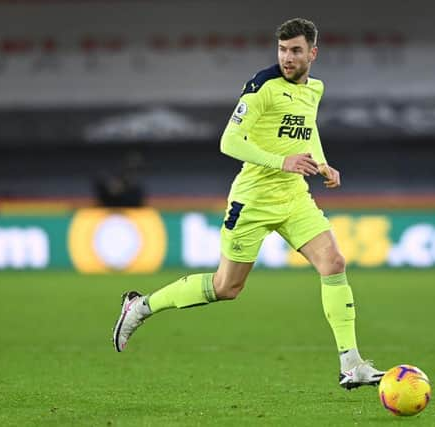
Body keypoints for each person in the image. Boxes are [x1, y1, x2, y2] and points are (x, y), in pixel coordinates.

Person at [111, 18, 384, 390]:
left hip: (294, 197)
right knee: (227, 288)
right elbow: (229, 141)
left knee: (333, 262)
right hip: (253, 199)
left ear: (312, 53)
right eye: (283, 50)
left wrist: (320, 163)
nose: (287, 58)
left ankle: (351, 364)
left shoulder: (314, 89)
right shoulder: (262, 87)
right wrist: (281, 161)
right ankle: (141, 307)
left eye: (296, 51)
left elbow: (307, 127)